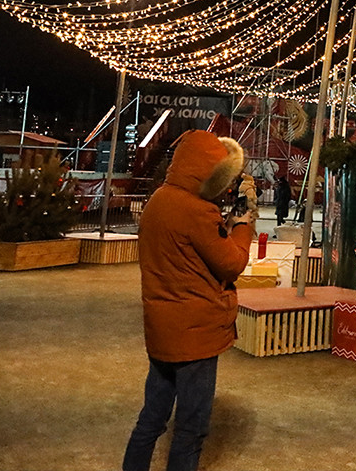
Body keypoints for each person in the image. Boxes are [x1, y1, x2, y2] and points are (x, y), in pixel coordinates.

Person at [122, 130, 257, 471]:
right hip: (195, 336)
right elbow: (232, 263)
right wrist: (243, 223)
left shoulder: (160, 199)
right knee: (190, 429)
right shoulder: (196, 211)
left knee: (151, 418)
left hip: (162, 331)